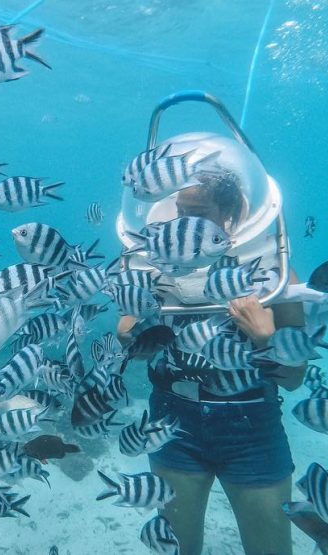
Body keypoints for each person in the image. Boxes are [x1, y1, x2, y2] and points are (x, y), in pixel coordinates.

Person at [118, 176, 305, 555]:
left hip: (251, 427)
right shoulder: (159, 266)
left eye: (199, 214)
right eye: (181, 213)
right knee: (179, 550)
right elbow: (125, 331)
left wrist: (266, 339)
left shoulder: (271, 271)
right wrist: (134, 330)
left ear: (232, 215)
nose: (183, 223)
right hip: (173, 422)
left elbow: (294, 380)